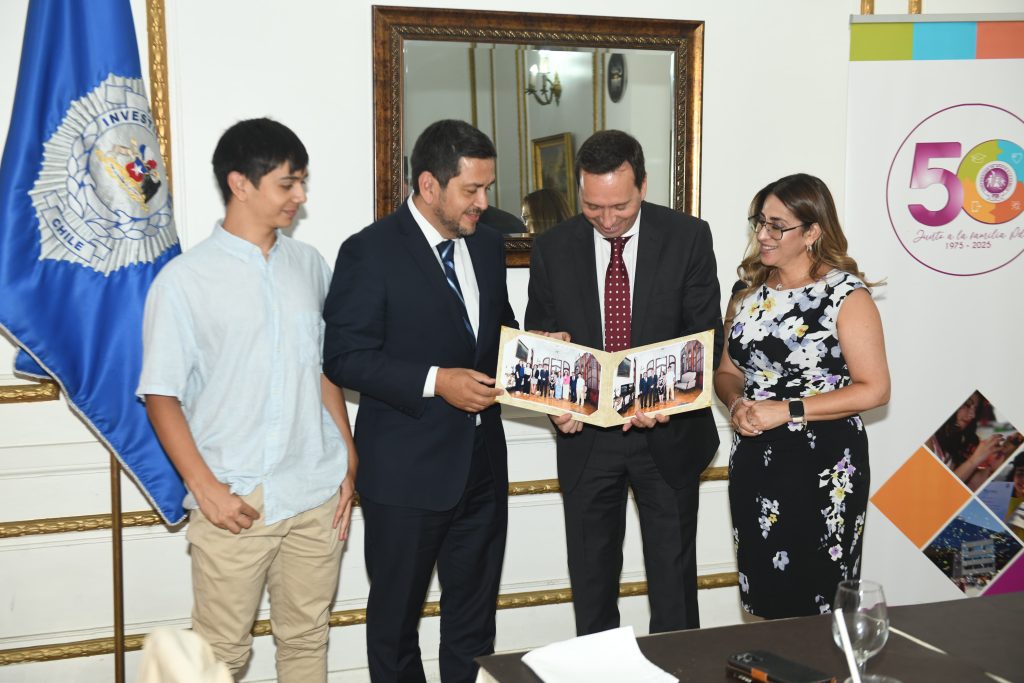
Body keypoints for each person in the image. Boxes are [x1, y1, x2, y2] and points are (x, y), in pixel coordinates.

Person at [137, 118, 357, 681]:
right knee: (219, 657)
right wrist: (206, 489)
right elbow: (160, 395)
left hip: (314, 490)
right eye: (287, 183)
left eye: (302, 182)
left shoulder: (310, 265)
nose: (300, 196)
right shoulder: (184, 281)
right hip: (234, 498)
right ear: (240, 184)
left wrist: (347, 455)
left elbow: (324, 369)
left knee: (306, 641)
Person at [322, 119, 518, 683]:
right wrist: (437, 381)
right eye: (471, 190)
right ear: (429, 185)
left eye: (488, 188)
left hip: (483, 469)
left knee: (473, 627)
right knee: (395, 628)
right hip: (405, 475)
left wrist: (535, 350)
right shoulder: (369, 251)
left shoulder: (487, 244)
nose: (484, 203)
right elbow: (344, 358)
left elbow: (496, 332)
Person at [525, 129, 723, 635]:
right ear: (579, 190)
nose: (608, 220)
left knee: (674, 588)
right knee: (591, 585)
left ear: (643, 186)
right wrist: (555, 398)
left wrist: (669, 400)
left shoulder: (687, 237)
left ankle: (677, 670)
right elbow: (541, 339)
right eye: (593, 207)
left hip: (668, 437)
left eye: (620, 206)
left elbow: (705, 338)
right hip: (587, 442)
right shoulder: (552, 247)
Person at [713, 172, 890, 619]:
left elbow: (875, 389)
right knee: (763, 598)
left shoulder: (845, 296)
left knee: (819, 602)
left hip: (824, 464)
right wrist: (736, 404)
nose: (763, 234)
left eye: (778, 226)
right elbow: (727, 373)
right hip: (755, 462)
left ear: (812, 232)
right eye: (760, 222)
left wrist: (787, 410)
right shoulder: (746, 296)